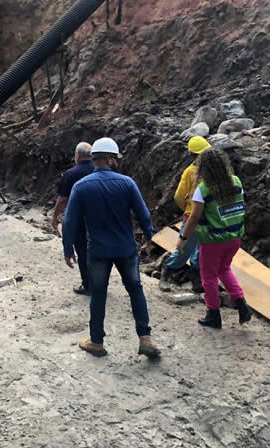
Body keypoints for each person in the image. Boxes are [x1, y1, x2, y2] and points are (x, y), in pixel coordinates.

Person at [61, 137, 161, 359]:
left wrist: (68, 248)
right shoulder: (127, 183)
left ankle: (96, 342)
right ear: (110, 159)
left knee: (98, 294)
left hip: (98, 251)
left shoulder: (81, 186)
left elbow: (69, 221)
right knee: (136, 291)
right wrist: (148, 236)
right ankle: (145, 339)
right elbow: (143, 213)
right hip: (126, 249)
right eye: (116, 158)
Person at [177, 147, 252, 329]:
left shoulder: (203, 189)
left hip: (212, 240)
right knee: (224, 269)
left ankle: (213, 314)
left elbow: (194, 217)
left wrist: (183, 238)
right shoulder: (236, 182)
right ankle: (242, 306)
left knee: (209, 277)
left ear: (203, 168)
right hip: (234, 237)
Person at [160, 136, 210, 293]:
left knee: (202, 251)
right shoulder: (189, 172)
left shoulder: (210, 171)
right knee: (184, 249)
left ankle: (196, 279)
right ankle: (167, 271)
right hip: (193, 217)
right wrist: (188, 209)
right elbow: (178, 196)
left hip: (208, 217)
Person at [51, 142, 94, 295]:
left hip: (80, 219)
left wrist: (55, 216)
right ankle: (100, 283)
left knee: (82, 251)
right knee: (98, 251)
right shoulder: (100, 170)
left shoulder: (71, 174)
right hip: (101, 218)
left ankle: (88, 285)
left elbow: (63, 199)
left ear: (77, 156)